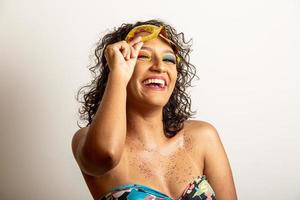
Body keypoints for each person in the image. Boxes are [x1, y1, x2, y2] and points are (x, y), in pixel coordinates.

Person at [72, 19, 237, 200]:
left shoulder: (203, 137)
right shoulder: (88, 140)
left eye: (169, 59)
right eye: (143, 56)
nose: (160, 66)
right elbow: (106, 155)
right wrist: (119, 74)